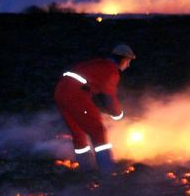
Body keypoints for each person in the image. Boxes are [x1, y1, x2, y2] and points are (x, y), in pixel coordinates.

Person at [54, 44, 136, 173]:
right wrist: (118, 115)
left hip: (60, 92)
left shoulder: (98, 64)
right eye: (129, 61)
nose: (128, 65)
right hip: (75, 95)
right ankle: (108, 171)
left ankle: (86, 168)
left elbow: (95, 93)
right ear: (124, 59)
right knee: (97, 131)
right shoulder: (111, 71)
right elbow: (109, 98)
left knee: (78, 131)